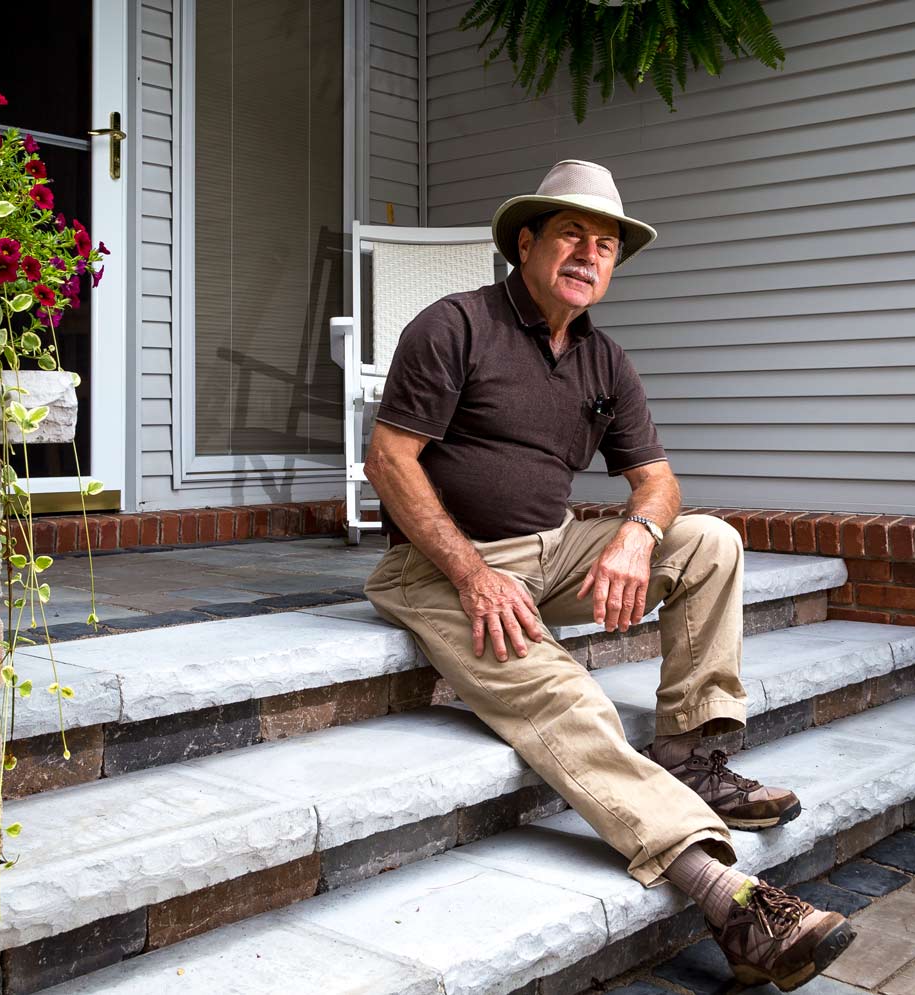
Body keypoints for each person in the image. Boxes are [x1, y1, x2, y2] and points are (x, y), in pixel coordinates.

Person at [361, 159, 854, 992]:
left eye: (605, 244)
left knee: (707, 542)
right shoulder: (455, 325)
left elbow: (658, 480)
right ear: (527, 243)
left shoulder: (605, 360)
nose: (589, 254)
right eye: (571, 235)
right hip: (441, 565)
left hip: (553, 547)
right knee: (568, 694)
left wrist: (635, 532)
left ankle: (689, 753)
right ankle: (733, 901)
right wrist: (475, 574)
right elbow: (389, 458)